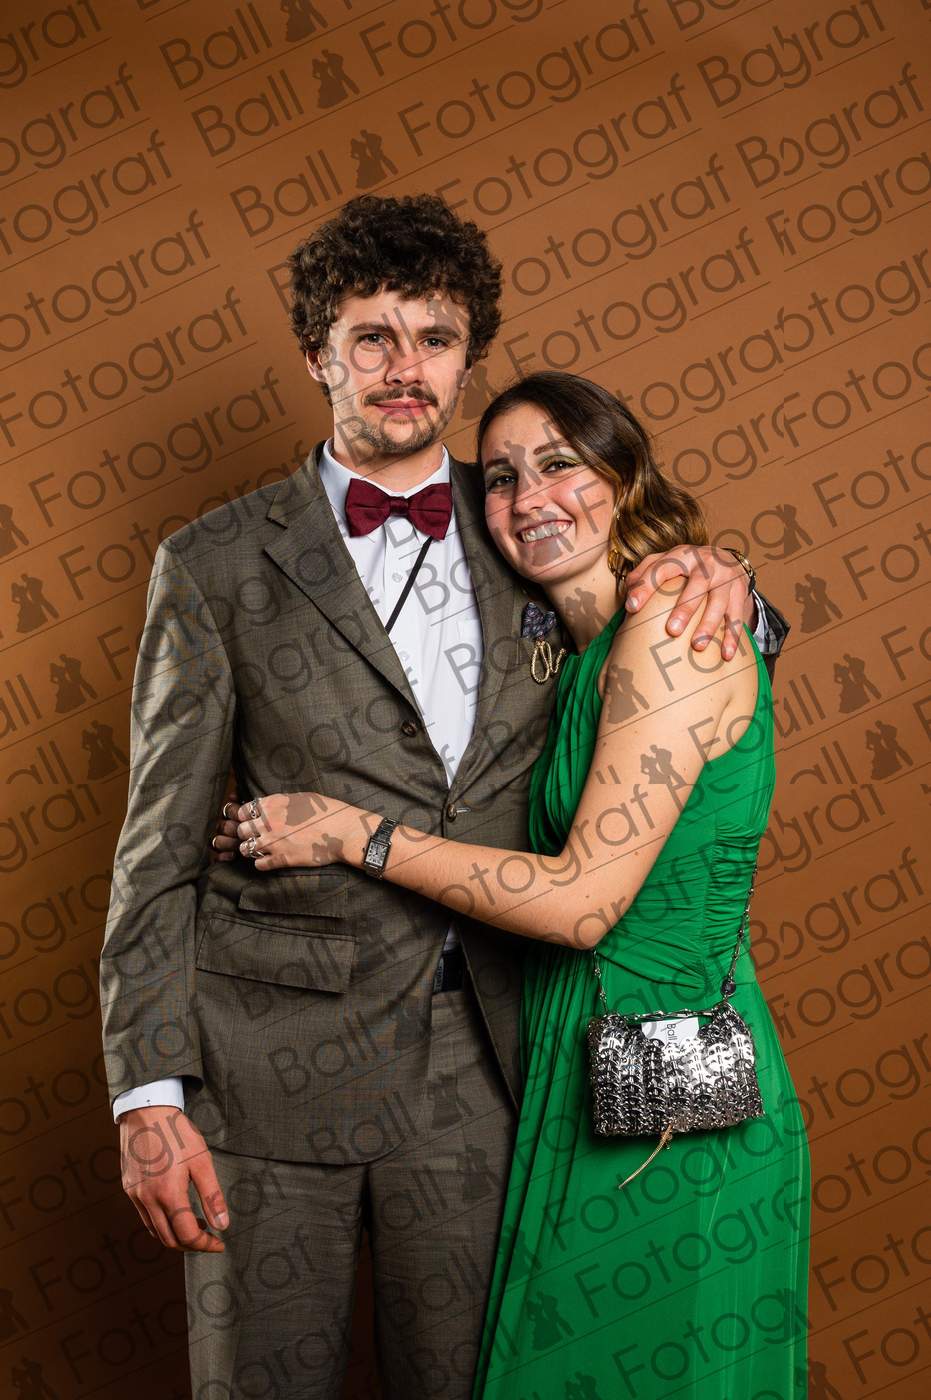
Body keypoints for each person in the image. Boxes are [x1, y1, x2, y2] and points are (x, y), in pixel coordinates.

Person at [99, 194, 788, 1400]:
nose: (403, 368)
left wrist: (730, 578)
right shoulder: (212, 562)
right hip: (269, 1073)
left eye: (434, 338)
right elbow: (154, 848)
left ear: (468, 360)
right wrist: (147, 1095)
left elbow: (668, 644)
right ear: (317, 353)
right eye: (370, 337)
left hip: (498, 1073)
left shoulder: (527, 515)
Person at [214, 372, 809, 1399]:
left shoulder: (670, 630)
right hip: (569, 1072)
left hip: (673, 1092)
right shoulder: (571, 650)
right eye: (499, 478)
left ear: (624, 477)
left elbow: (580, 902)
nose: (530, 498)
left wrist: (353, 833)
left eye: (560, 464)